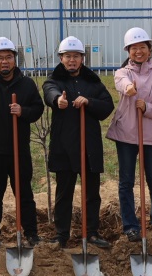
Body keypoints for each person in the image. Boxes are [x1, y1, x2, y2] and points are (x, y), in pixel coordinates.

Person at [43, 36, 115, 248]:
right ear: (61, 58)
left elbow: (107, 106)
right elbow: (49, 93)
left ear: (82, 58)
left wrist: (89, 101)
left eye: (76, 56)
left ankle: (91, 232)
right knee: (64, 193)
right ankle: (61, 234)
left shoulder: (93, 82)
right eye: (68, 56)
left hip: (88, 146)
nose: (72, 60)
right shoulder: (54, 80)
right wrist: (58, 100)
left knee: (91, 193)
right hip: (64, 146)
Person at [106, 27, 152, 242]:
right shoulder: (122, 73)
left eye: (142, 47)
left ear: (149, 50)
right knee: (126, 181)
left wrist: (147, 108)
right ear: (128, 51)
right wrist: (129, 88)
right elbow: (121, 84)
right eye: (134, 48)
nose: (139, 51)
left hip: (150, 136)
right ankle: (130, 225)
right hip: (126, 135)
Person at [0, 37, 45, 251]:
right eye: (0, 57)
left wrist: (23, 111)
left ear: (15, 59)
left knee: (24, 193)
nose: (4, 61)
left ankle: (31, 233)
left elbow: (38, 108)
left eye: (8, 57)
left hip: (19, 149)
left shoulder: (26, 84)